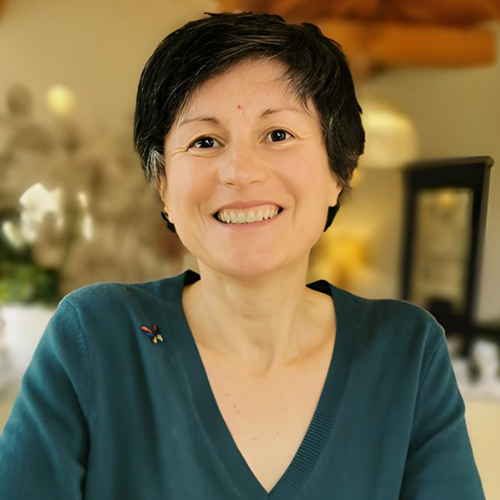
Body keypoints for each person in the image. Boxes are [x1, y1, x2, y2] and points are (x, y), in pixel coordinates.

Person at [0, 11, 485, 500]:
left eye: (278, 135)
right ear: (163, 185)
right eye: (204, 141)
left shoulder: (406, 352)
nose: (240, 171)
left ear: (337, 173)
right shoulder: (94, 336)